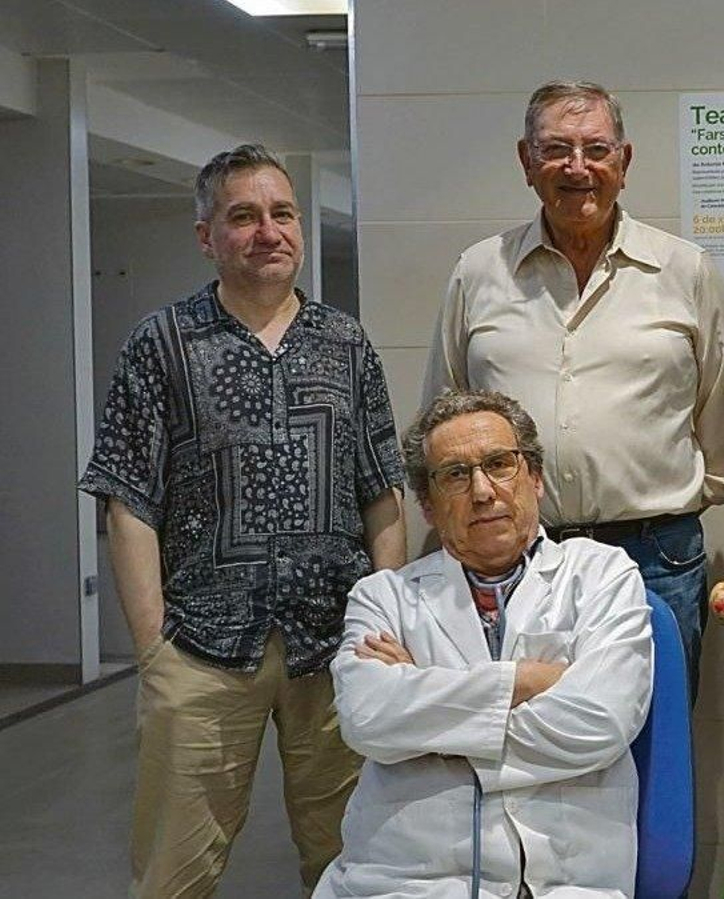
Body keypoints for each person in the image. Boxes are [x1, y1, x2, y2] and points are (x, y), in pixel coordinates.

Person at [78, 143, 407, 897]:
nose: (269, 231)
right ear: (207, 236)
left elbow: (382, 491)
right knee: (176, 869)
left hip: (335, 647)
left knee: (355, 861)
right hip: (199, 649)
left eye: (282, 213)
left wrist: (388, 620)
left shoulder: (345, 344)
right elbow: (128, 499)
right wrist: (152, 643)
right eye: (244, 216)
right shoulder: (160, 345)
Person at [422, 79, 724, 700]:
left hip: (657, 558)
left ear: (624, 161)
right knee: (527, 741)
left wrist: (671, 496)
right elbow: (446, 418)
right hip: (513, 559)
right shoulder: (478, 272)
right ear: (525, 162)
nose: (578, 168)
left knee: (655, 750)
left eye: (596, 149)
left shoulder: (684, 270)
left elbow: (723, 412)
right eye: (556, 150)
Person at [315, 389, 653, 899]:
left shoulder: (601, 575)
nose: (482, 491)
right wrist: (527, 681)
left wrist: (425, 716)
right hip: (402, 879)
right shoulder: (383, 597)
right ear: (427, 505)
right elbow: (367, 720)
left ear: (534, 478)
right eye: (454, 474)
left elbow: (601, 721)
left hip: (562, 878)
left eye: (499, 464)